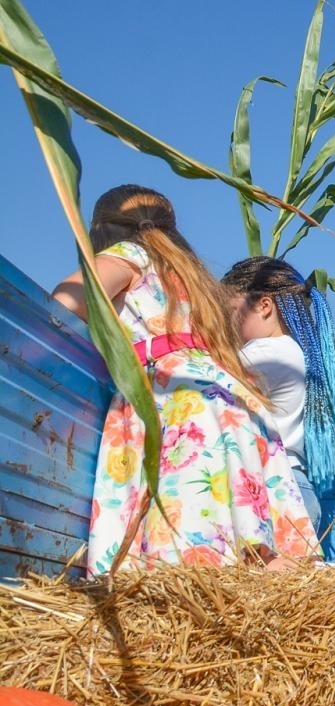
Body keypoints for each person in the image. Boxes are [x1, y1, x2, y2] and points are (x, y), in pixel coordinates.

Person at [51, 185, 316, 577]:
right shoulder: (194, 276)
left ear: (104, 231)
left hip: (178, 398)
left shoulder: (130, 255)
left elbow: (66, 300)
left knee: (188, 541)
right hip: (230, 403)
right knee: (253, 546)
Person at [219, 257, 335, 536]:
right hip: (296, 488)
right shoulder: (295, 353)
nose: (224, 324)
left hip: (275, 491)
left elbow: (205, 385)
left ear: (264, 306)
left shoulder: (265, 354)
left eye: (229, 312)